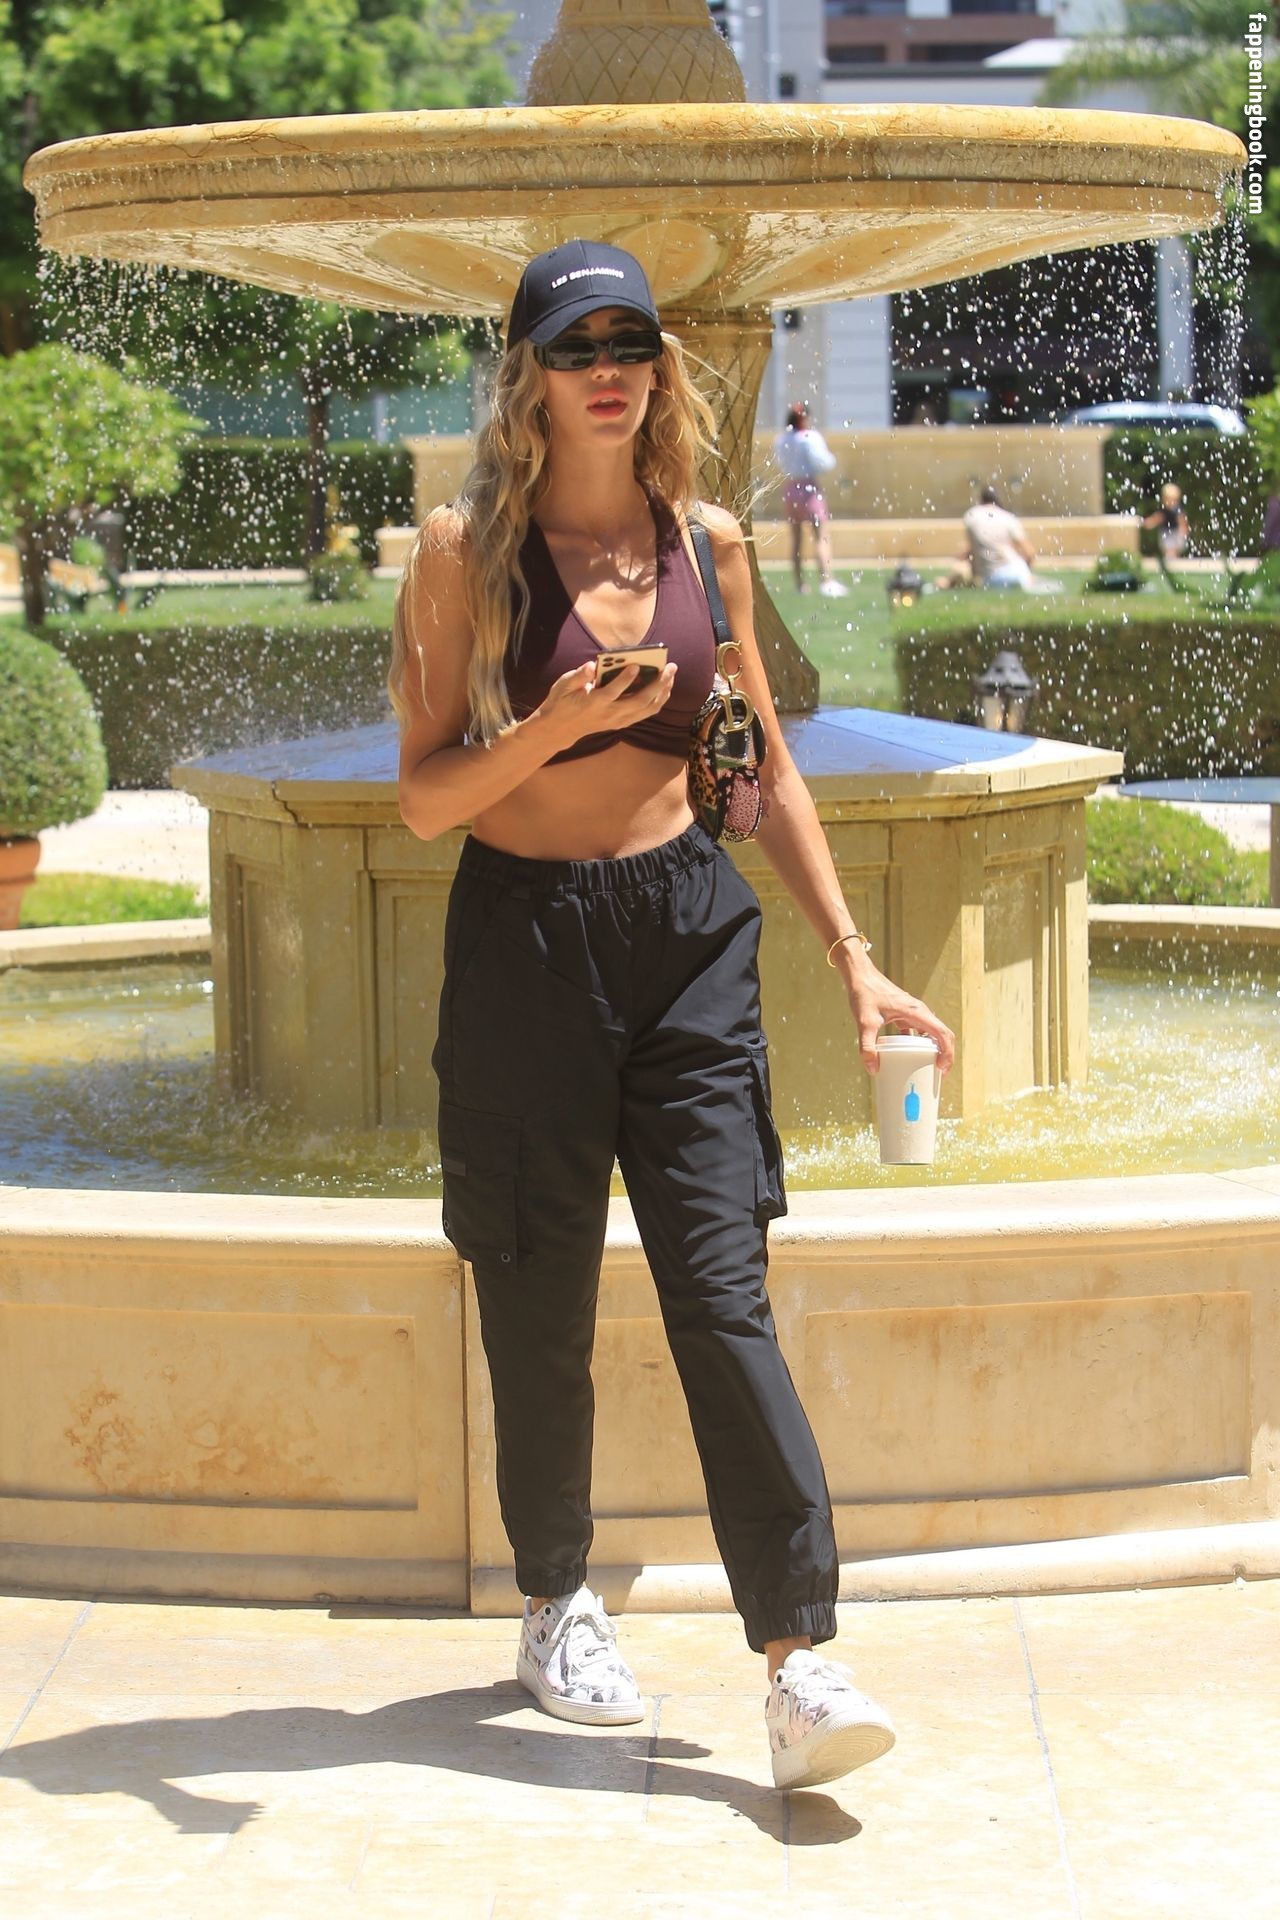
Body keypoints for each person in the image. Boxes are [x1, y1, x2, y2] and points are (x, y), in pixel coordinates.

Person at [388, 238, 954, 1792]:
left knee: (721, 1286)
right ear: (529, 376)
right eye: (577, 346)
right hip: (525, 937)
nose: (609, 369)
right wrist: (552, 728)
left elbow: (759, 760)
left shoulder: (707, 545)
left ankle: (798, 1658)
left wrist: (852, 956)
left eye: (630, 341)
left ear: (660, 365)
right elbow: (426, 796)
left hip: (689, 932)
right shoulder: (463, 551)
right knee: (538, 1288)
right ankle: (555, 1598)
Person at [773, 402, 847, 596]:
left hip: (790, 489)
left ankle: (800, 584)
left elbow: (780, 463)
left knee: (796, 539)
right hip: (808, 489)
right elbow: (824, 462)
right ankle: (826, 580)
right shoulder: (809, 437)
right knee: (821, 535)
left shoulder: (782, 439)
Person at [961, 484, 1037, 590]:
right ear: (999, 500)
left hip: (993, 577)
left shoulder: (971, 515)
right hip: (1018, 570)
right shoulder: (1008, 517)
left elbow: (971, 550)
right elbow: (1030, 553)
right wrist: (1027, 572)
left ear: (980, 499)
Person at [1143, 482, 1190, 581]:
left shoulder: (1177, 509)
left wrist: (1183, 529)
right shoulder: (1164, 510)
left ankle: (1172, 566)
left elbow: (1182, 520)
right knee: (1168, 550)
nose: (1170, 502)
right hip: (1166, 532)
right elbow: (1158, 518)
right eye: (1167, 499)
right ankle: (1171, 566)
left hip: (1175, 533)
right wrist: (1149, 523)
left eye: (1172, 499)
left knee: (1172, 550)